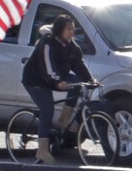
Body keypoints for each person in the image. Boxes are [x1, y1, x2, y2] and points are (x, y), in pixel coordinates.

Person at [22, 15, 94, 162]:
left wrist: (90, 80)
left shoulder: (71, 45)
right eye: (69, 29)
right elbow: (47, 67)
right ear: (60, 29)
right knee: (47, 110)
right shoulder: (47, 42)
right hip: (36, 80)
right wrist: (57, 81)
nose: (72, 32)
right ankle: (42, 150)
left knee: (78, 83)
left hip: (54, 79)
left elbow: (78, 65)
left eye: (73, 29)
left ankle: (64, 119)